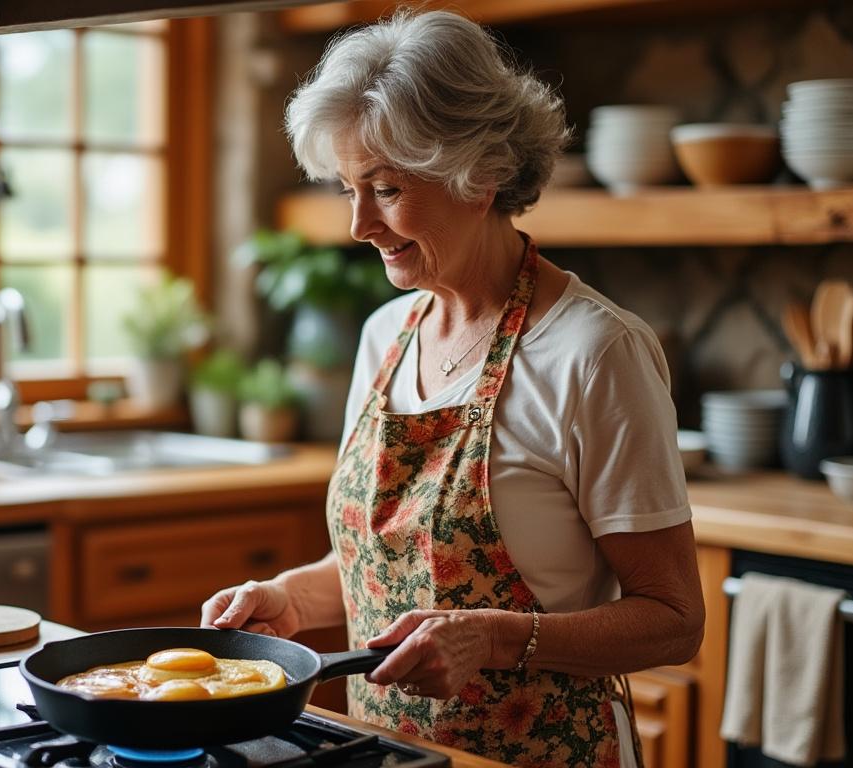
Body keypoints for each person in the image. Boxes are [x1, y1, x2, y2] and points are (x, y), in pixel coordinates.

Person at [201, 11, 704, 767]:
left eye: (386, 189)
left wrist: (494, 639)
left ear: (480, 174)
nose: (358, 224)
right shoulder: (386, 334)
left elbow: (674, 619)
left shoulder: (596, 353)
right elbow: (393, 567)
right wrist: (293, 597)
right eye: (347, 190)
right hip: (392, 754)